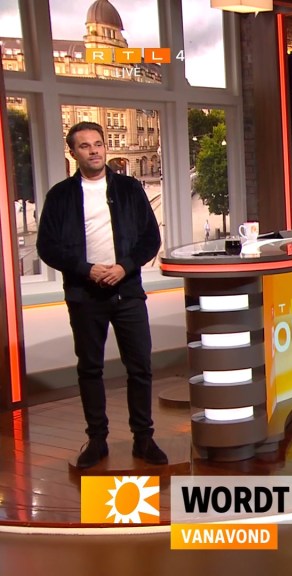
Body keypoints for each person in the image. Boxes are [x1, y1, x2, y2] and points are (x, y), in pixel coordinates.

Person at [36, 121, 167, 469]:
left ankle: (143, 438)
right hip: (85, 294)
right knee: (90, 368)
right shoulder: (60, 196)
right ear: (73, 152)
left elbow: (150, 238)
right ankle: (97, 439)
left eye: (98, 144)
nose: (94, 151)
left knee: (140, 367)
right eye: (85, 146)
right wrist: (86, 269)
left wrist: (124, 267)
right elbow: (47, 246)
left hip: (128, 292)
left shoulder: (129, 188)